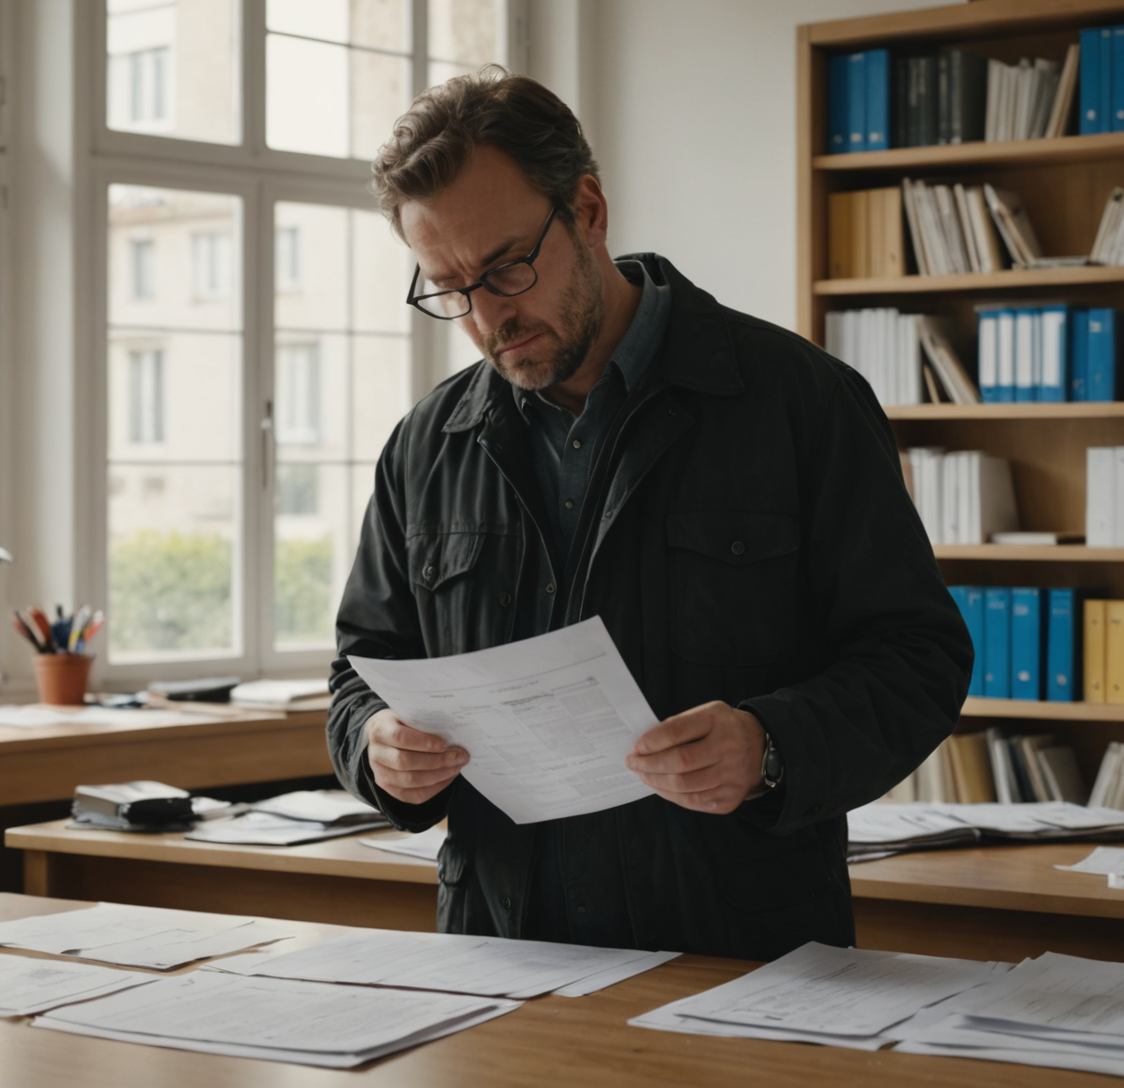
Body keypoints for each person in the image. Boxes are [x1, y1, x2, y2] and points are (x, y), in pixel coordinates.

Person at [326, 67, 972, 961]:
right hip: (497, 956)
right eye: (449, 288)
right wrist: (376, 747)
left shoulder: (799, 403)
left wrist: (771, 744)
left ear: (587, 208)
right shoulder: (426, 444)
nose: (487, 317)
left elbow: (918, 658)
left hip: (742, 952)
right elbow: (362, 672)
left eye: (508, 267)